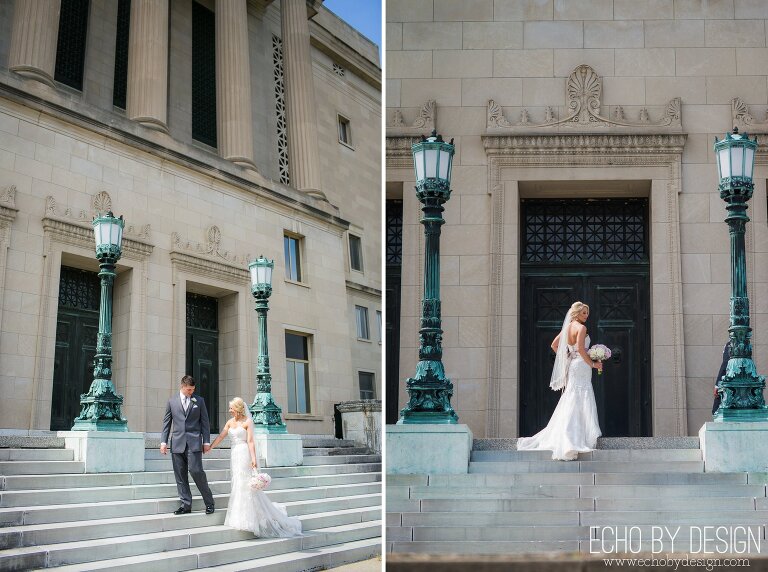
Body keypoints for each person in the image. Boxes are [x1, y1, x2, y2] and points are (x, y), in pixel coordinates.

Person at [517, 301, 603, 461]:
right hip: (581, 366)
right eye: (584, 313)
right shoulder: (581, 328)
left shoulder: (568, 328)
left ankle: (568, 432)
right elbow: (582, 350)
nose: (587, 315)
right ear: (576, 313)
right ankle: (577, 436)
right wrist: (593, 364)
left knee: (572, 396)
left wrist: (568, 356)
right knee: (580, 395)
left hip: (573, 366)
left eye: (587, 313)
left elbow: (554, 345)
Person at [210, 397, 302, 537]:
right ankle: (239, 516)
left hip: (244, 454)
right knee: (237, 483)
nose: (229, 410)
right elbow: (221, 436)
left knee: (246, 485)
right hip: (235, 455)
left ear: (238, 408)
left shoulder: (247, 422)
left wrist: (253, 458)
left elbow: (251, 441)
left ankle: (249, 519)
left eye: (231, 408)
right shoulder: (230, 422)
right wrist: (210, 447)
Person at [160, 375, 216, 515]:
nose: (191, 392)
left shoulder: (199, 401)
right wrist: (163, 442)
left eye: (193, 390)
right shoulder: (172, 401)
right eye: (189, 390)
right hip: (177, 444)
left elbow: (205, 423)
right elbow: (166, 423)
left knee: (196, 471)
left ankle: (209, 503)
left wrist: (206, 442)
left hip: (194, 443)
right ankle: (186, 505)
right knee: (180, 476)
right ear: (182, 386)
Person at [713, 341, 730, 415]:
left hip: (729, 384)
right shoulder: (747, 344)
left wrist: (717, 385)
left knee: (716, 411)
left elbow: (725, 364)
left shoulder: (730, 344)